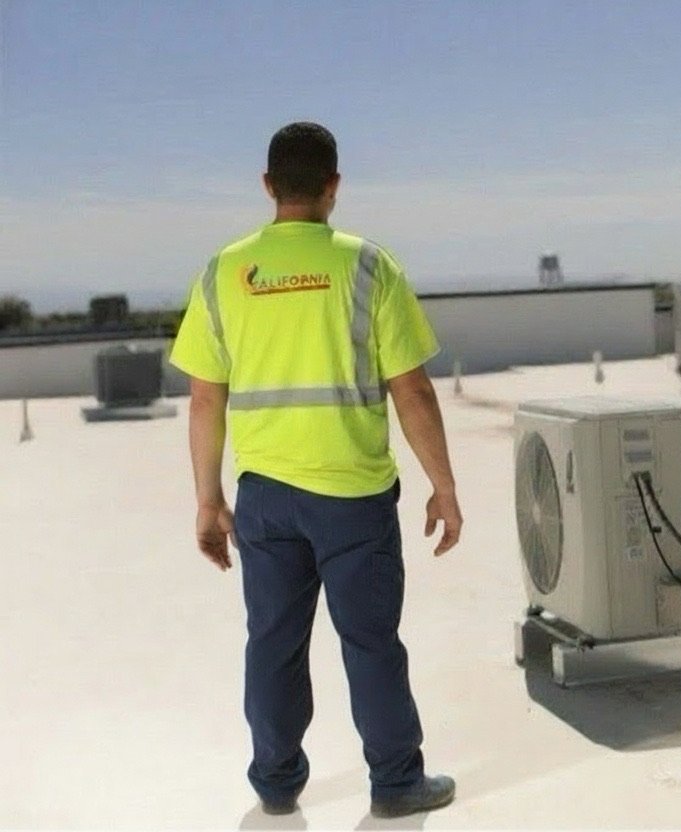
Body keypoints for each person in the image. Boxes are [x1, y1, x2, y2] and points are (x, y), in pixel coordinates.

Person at [169, 122, 462, 819]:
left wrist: (208, 500)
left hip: (266, 498)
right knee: (370, 643)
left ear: (268, 186)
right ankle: (396, 784)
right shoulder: (368, 267)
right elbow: (412, 390)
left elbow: (206, 398)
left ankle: (275, 785)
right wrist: (443, 486)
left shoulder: (224, 272)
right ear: (334, 186)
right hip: (353, 497)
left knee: (272, 644)